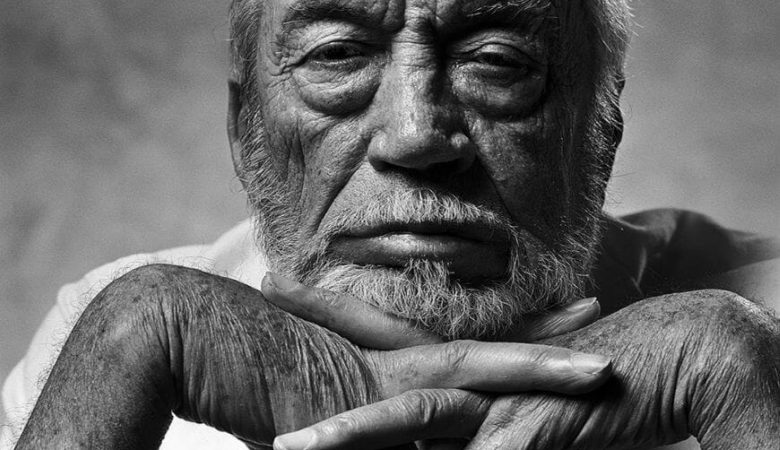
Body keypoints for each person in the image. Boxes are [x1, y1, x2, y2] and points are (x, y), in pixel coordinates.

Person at [4, 0, 779, 448]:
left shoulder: (764, 329)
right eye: (337, 53)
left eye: (498, 60)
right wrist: (128, 347)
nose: (415, 135)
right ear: (245, 131)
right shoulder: (108, 342)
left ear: (601, 129)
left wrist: (742, 388)